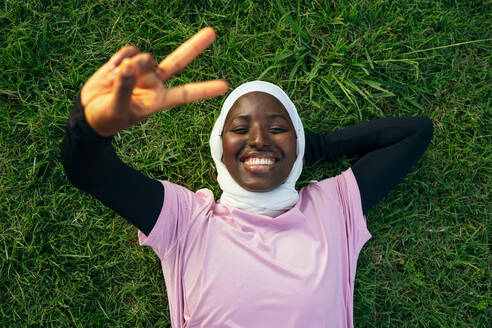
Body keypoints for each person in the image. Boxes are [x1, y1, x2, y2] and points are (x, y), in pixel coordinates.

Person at [61, 27, 433, 327]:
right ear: (218, 147)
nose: (258, 139)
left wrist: (310, 147)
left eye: (277, 128)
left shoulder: (333, 209)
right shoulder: (186, 220)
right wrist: (91, 126)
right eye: (240, 129)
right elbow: (90, 173)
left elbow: (415, 133)